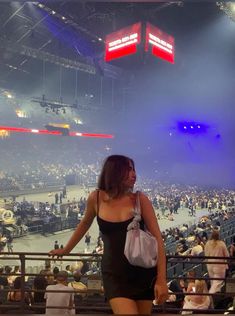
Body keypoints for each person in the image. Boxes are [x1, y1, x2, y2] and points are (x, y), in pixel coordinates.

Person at [49, 154, 168, 314]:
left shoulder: (140, 200)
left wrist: (161, 279)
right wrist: (66, 250)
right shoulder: (96, 198)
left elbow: (158, 239)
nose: (134, 174)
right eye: (128, 169)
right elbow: (84, 224)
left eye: (133, 169)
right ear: (114, 172)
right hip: (114, 273)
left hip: (143, 272)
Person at [204, 229, 229, 293]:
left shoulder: (207, 243)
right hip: (219, 265)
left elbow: (206, 255)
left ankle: (214, 298)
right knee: (217, 283)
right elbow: (227, 255)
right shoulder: (221, 243)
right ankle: (211, 296)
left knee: (213, 283)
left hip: (210, 265)